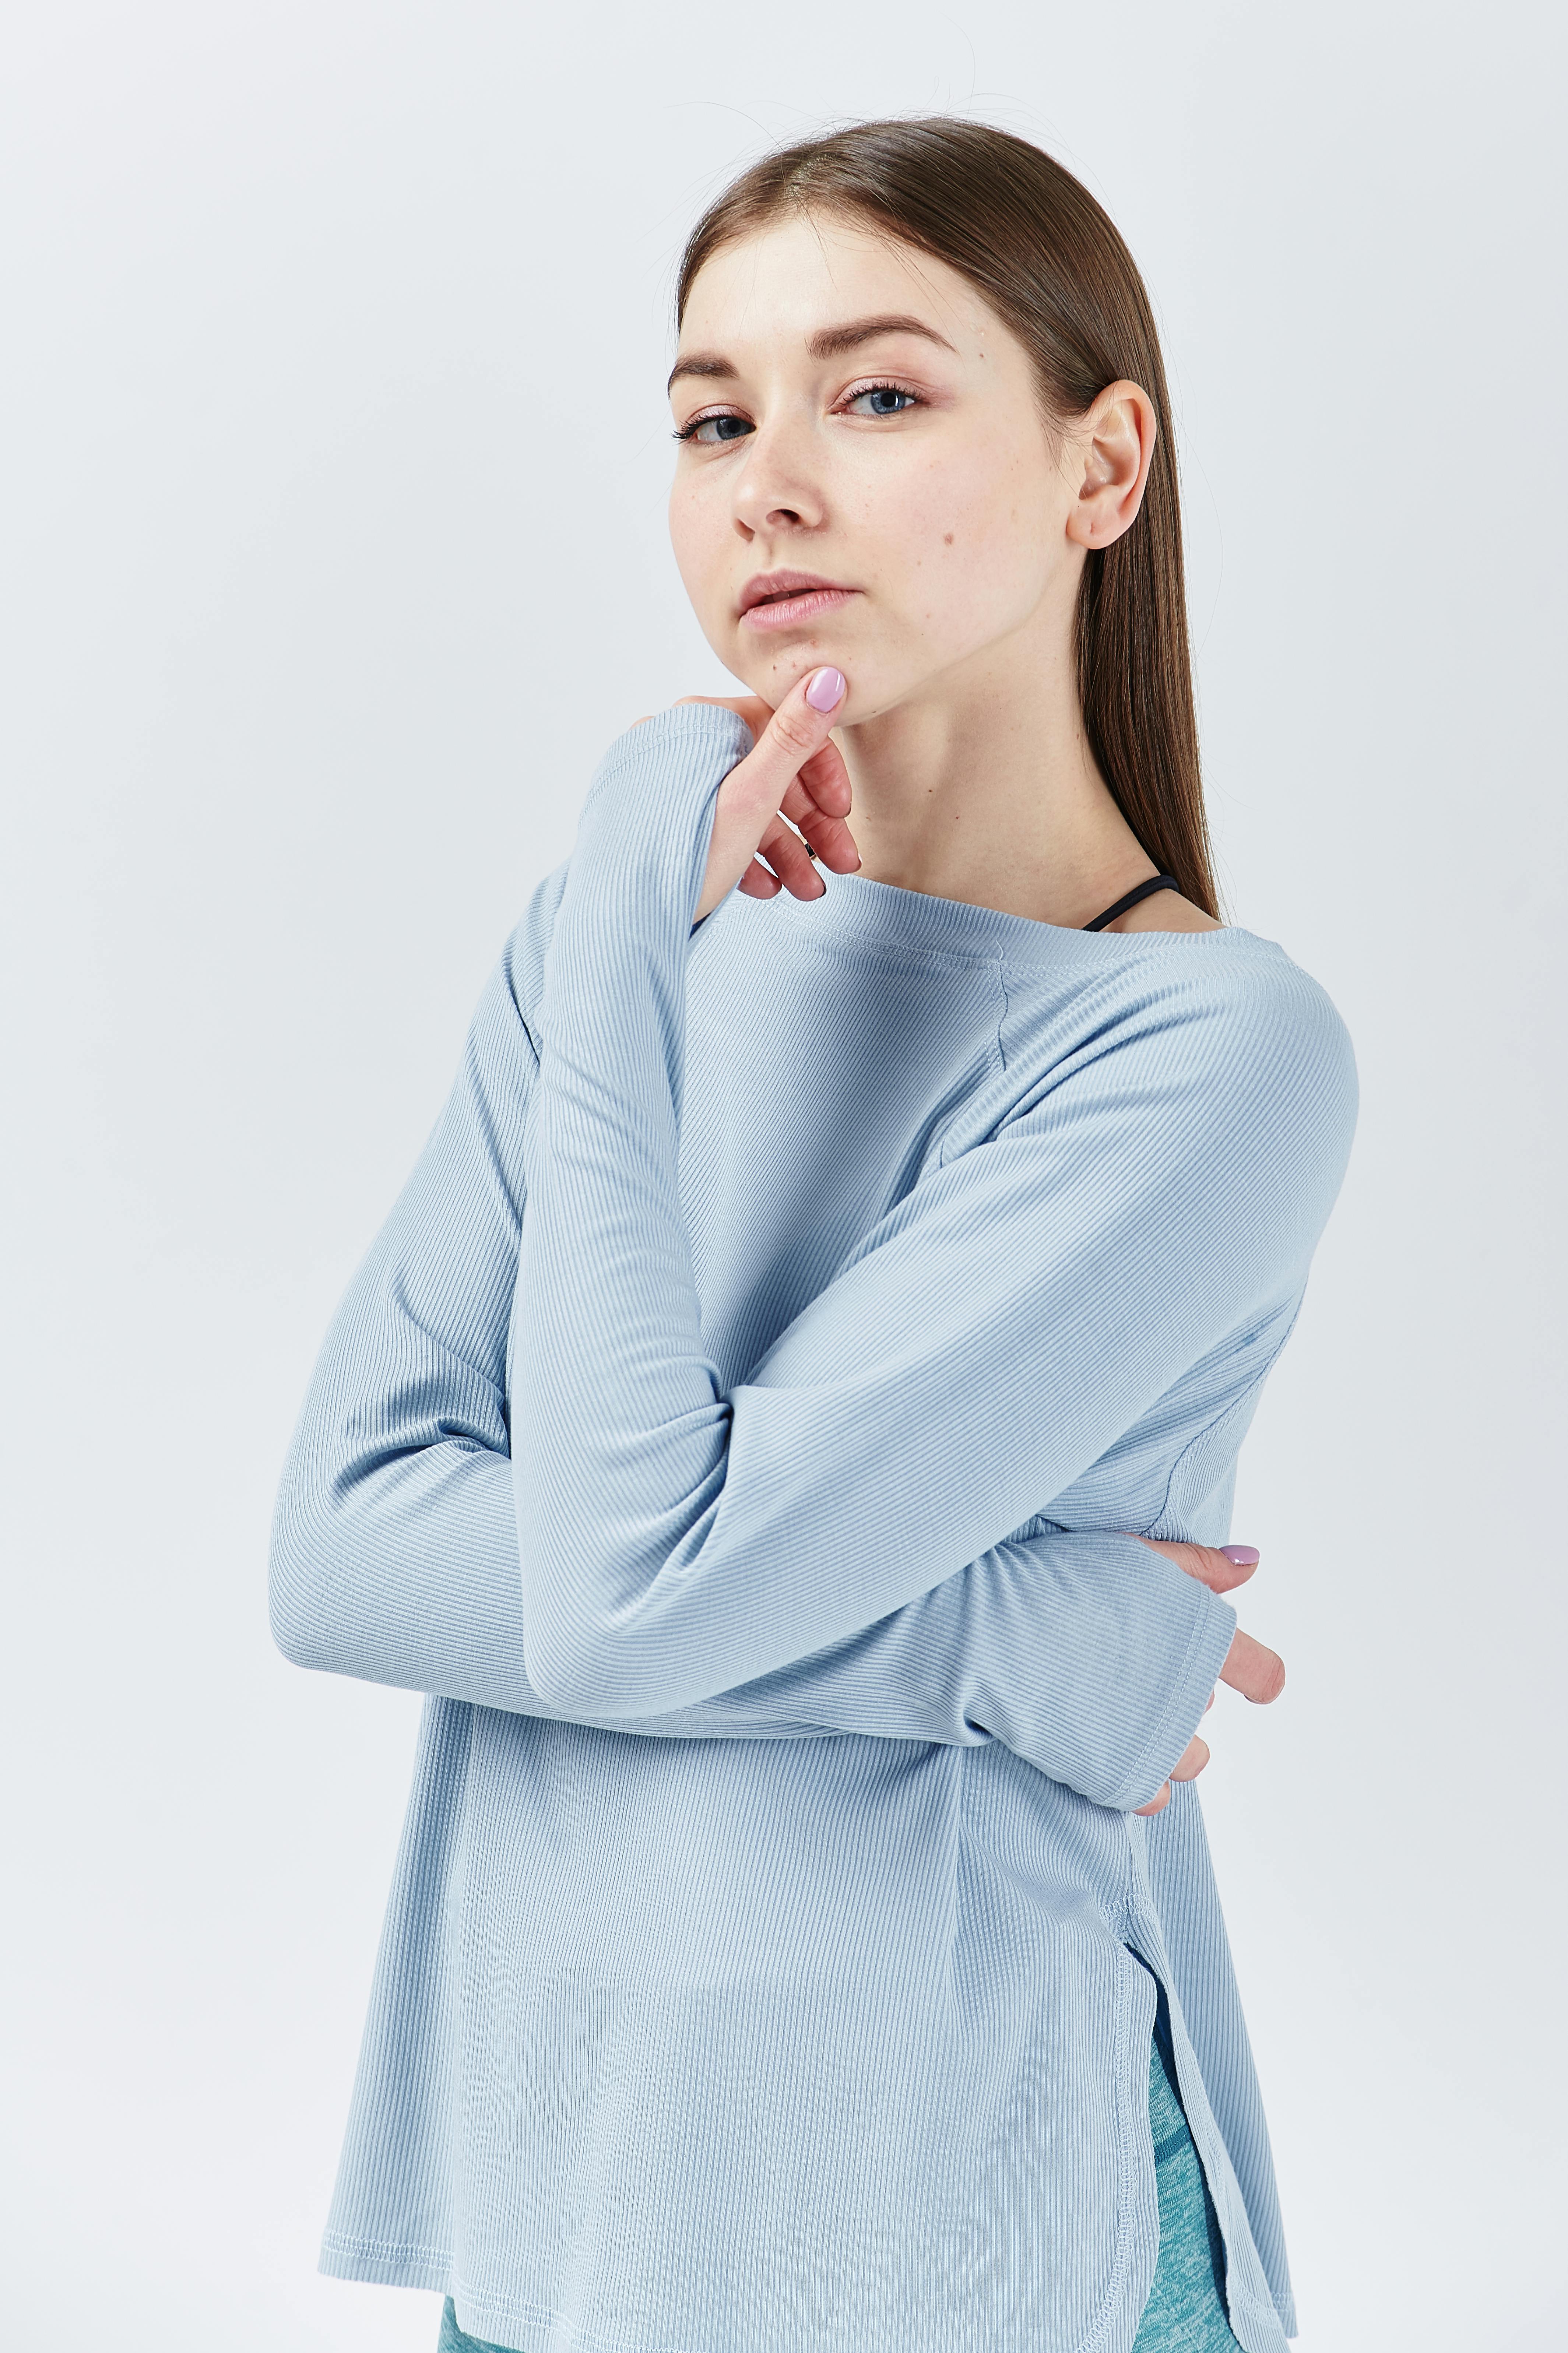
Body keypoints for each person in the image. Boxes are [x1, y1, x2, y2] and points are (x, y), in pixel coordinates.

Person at [270, 117, 1357, 2353]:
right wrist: (1015, 1643)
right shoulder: (619, 938)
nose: (766, 478)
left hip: (946, 2233)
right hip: (552, 2213)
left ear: (1100, 464)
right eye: (709, 416)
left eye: (873, 394)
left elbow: (637, 1597)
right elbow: (345, 1543)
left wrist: (617, 925)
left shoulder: (1206, 1051)